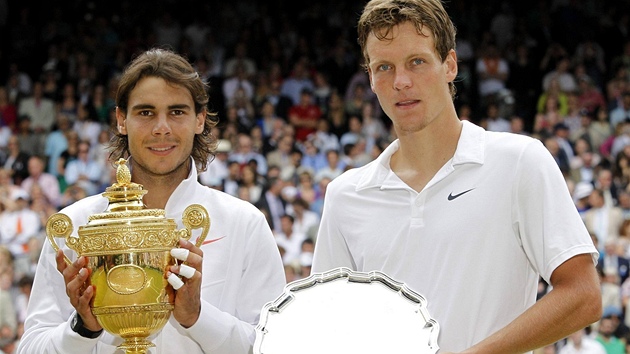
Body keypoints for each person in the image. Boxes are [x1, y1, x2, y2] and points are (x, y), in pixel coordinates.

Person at [311, 1, 602, 353]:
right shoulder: (345, 195)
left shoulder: (519, 161)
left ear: (450, 64)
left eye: (416, 62)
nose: (401, 82)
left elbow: (583, 295)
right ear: (370, 78)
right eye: (384, 67)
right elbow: (327, 328)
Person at [17, 48, 285, 354]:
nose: (161, 128)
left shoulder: (244, 224)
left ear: (199, 119)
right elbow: (31, 348)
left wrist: (198, 317)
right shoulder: (77, 226)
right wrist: (83, 328)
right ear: (121, 119)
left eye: (177, 112)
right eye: (146, 112)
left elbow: (275, 346)